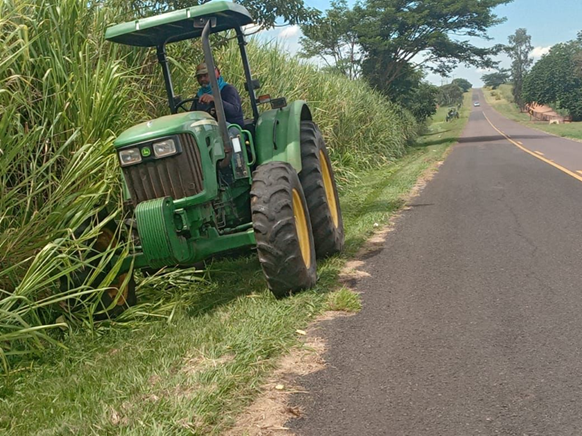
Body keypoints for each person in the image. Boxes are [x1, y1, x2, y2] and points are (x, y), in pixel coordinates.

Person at [193, 62, 244, 127]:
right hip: (210, 130)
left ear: (215, 74)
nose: (202, 79)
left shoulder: (227, 89)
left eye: (205, 75)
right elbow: (193, 114)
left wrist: (215, 100)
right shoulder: (199, 95)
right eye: (199, 77)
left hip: (232, 130)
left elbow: (234, 112)